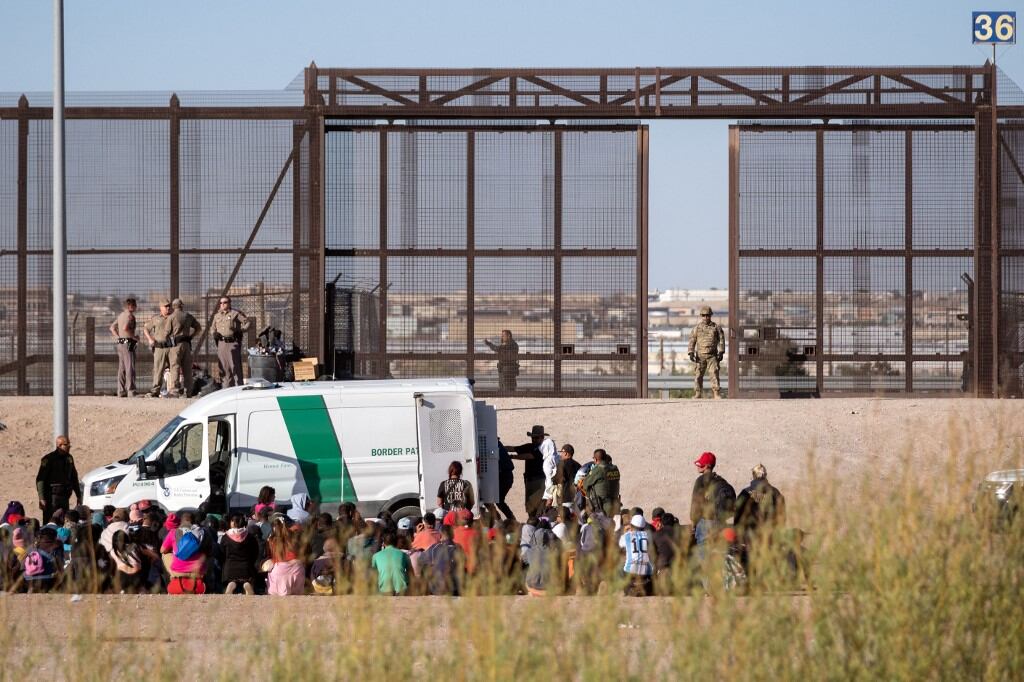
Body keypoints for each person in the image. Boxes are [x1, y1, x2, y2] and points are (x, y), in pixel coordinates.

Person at [734, 463, 787, 550]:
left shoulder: (745, 493)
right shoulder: (775, 493)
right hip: (769, 538)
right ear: (765, 475)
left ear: (753, 475)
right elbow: (782, 517)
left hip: (748, 538)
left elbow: (737, 515)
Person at [690, 452, 736, 546]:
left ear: (707, 466)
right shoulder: (721, 481)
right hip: (720, 524)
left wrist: (694, 522)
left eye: (700, 464)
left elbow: (695, 505)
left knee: (704, 556)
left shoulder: (701, 481)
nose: (698, 466)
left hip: (706, 524)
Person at [511, 425, 557, 518]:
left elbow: (529, 456)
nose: (534, 440)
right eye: (533, 437)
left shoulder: (544, 448)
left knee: (538, 505)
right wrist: (500, 447)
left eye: (536, 438)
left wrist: (512, 456)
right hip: (530, 480)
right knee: (530, 505)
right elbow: (513, 448)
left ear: (542, 438)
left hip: (539, 481)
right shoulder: (530, 446)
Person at [35, 436, 81, 525]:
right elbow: (40, 480)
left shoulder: (69, 458)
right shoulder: (48, 459)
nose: (69, 447)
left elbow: (74, 477)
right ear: (59, 445)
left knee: (64, 521)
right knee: (51, 522)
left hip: (64, 497)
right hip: (52, 497)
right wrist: (41, 498)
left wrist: (78, 495)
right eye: (67, 445)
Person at [212, 296, 251, 388]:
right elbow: (213, 328)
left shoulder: (235, 314)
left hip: (232, 343)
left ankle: (239, 388)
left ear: (229, 303)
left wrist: (241, 330)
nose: (222, 304)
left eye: (225, 302)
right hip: (221, 343)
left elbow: (247, 322)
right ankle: (226, 389)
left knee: (235, 366)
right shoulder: (217, 316)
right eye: (221, 303)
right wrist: (214, 333)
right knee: (224, 367)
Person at [688, 306, 725, 399]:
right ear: (701, 316)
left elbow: (721, 340)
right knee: (698, 375)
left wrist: (721, 352)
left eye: (707, 315)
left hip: (712, 356)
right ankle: (698, 393)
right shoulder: (697, 328)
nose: (706, 317)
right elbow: (692, 340)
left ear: (710, 315)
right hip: (700, 356)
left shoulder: (716, 327)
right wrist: (691, 352)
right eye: (704, 315)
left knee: (714, 374)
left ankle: (716, 393)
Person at [167, 298, 202, 398]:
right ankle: (188, 391)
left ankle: (175, 390)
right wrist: (191, 336)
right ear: (182, 305)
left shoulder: (171, 317)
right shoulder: (188, 316)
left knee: (175, 367)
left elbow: (166, 332)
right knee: (187, 368)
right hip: (187, 344)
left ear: (173, 306)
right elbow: (198, 328)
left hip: (175, 345)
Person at [220, 512, 260, 594]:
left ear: (233, 523)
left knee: (232, 580)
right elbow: (255, 552)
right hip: (246, 568)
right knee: (247, 579)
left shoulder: (225, 537)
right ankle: (247, 584)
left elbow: (222, 553)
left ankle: (231, 583)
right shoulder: (250, 537)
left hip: (230, 569)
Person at [420, 524, 465, 596]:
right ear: (453, 535)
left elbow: (421, 563)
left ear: (440, 536)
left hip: (437, 589)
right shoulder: (458, 548)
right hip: (454, 589)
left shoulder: (434, 548)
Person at [266, 516, 305, 595]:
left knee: (270, 570)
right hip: (297, 568)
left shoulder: (271, 540)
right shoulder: (294, 536)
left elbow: (271, 557)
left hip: (280, 570)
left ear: (273, 528)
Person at [143, 299, 173, 398]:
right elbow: (146, 329)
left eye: (169, 306)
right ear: (160, 308)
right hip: (159, 348)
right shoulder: (156, 319)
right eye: (165, 306)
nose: (168, 308)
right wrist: (150, 339)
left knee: (174, 369)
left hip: (172, 347)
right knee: (158, 370)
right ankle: (156, 390)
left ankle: (173, 390)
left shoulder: (173, 318)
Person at [108, 297, 138, 397]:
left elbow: (112, 328)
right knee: (130, 366)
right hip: (129, 342)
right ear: (131, 306)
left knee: (122, 367)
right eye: (135, 305)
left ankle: (121, 391)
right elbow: (126, 328)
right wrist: (134, 337)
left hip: (121, 342)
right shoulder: (130, 316)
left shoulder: (121, 315)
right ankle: (131, 390)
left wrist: (118, 337)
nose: (136, 307)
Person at [619, 513, 654, 596]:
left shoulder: (626, 536)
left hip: (630, 573)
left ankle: (626, 587)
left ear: (631, 525)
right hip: (646, 574)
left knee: (620, 563)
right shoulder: (649, 535)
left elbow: (620, 547)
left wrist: (625, 531)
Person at [371, 530, 412, 595]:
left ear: (383, 543)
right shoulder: (404, 555)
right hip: (402, 589)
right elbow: (411, 573)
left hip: (384, 590)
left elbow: (373, 575)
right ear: (396, 543)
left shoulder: (375, 556)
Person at [582, 449, 621, 518]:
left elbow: (585, 484)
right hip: (616, 504)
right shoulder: (615, 468)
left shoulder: (598, 469)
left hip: (603, 507)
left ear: (596, 459)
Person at [484, 329, 520, 394]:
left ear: (508, 336)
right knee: (504, 386)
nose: (502, 337)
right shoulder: (511, 344)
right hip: (504, 369)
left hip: (508, 369)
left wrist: (489, 344)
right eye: (502, 336)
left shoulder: (509, 345)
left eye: (503, 336)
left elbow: (497, 348)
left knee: (507, 387)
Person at [494, 440, 516, 521]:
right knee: (498, 500)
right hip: (506, 476)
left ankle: (508, 519)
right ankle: (510, 519)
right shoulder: (497, 443)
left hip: (504, 476)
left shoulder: (494, 445)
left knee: (497, 500)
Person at [558, 444, 581, 513]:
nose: (561, 454)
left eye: (561, 452)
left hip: (566, 497)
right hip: (577, 498)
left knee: (566, 520)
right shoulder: (578, 465)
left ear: (566, 453)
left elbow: (558, 479)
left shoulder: (562, 464)